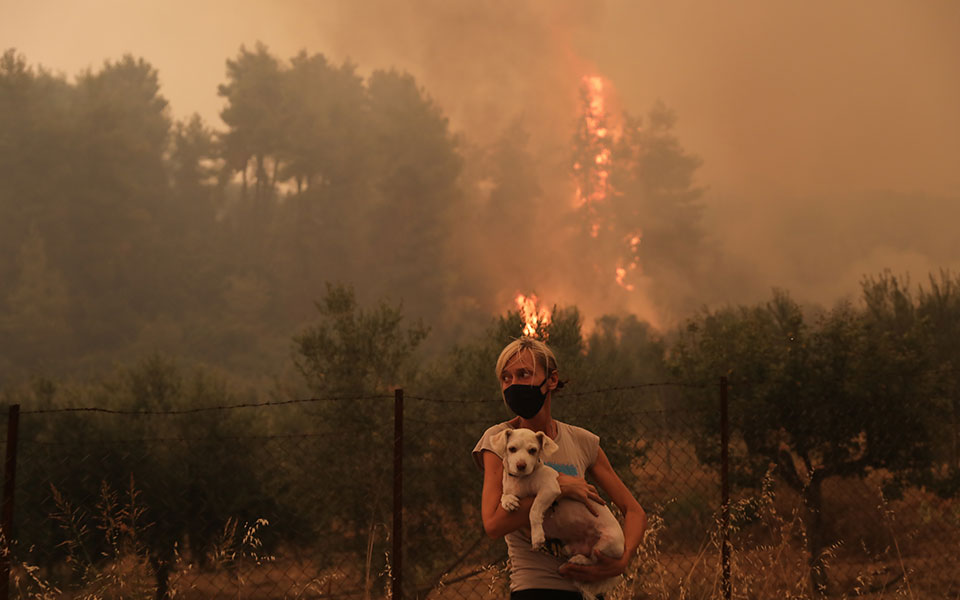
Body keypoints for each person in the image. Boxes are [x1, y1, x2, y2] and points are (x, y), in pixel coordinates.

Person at [473, 336, 647, 599]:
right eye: (506, 378)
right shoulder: (499, 440)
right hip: (535, 587)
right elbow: (494, 524)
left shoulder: (582, 441)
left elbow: (634, 511)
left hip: (589, 588)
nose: (513, 385)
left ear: (551, 380)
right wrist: (560, 487)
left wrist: (622, 561)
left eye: (524, 374)